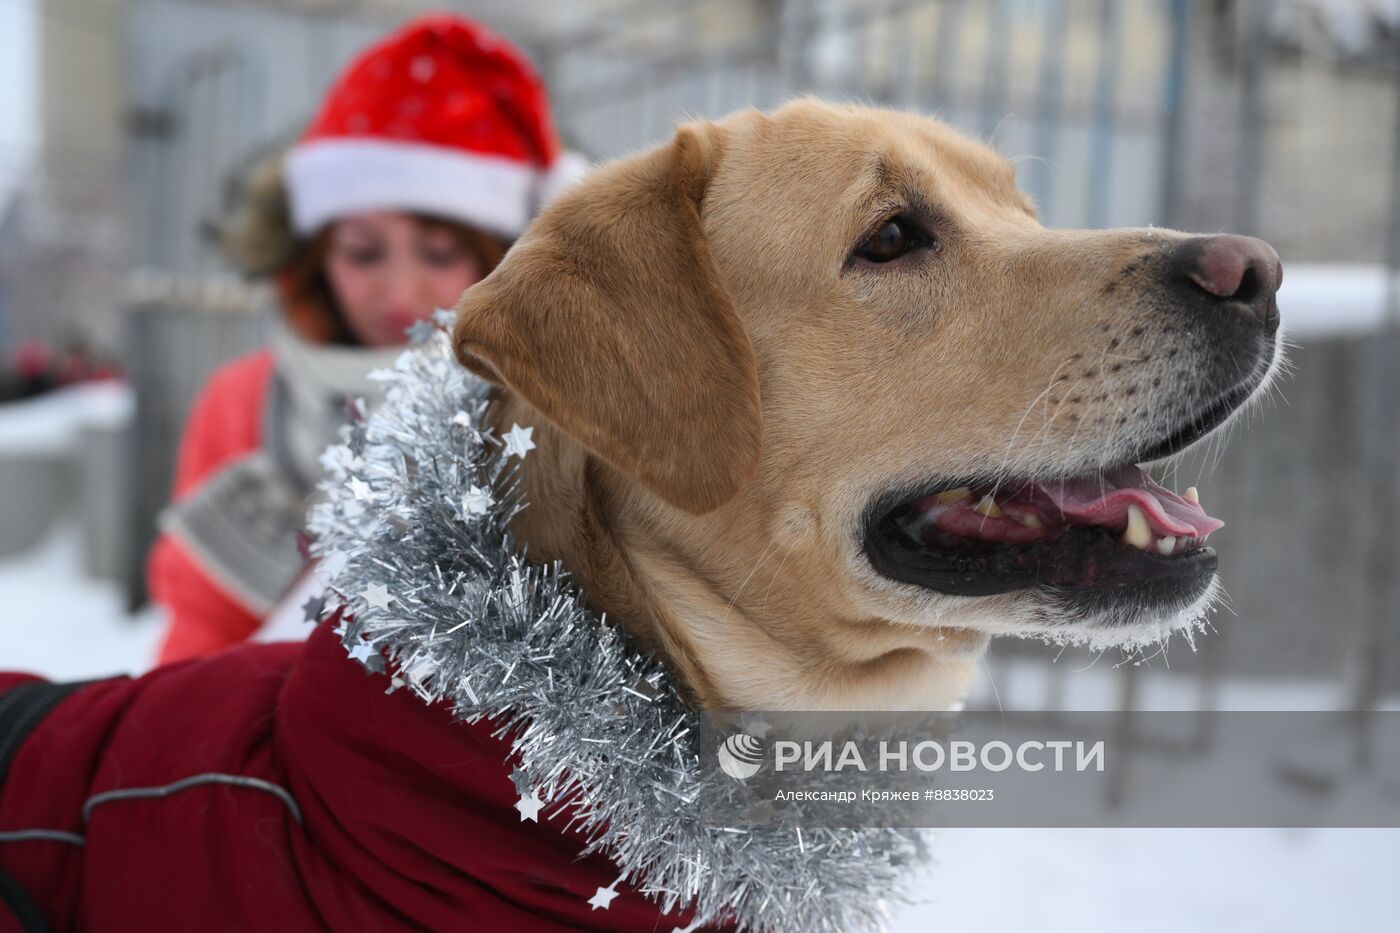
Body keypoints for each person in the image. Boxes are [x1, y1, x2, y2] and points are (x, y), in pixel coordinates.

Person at [146, 13, 586, 663]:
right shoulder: (241, 402)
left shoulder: (560, 406)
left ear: (504, 258)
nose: (399, 293)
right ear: (315, 254)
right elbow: (194, 650)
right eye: (361, 251)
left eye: (439, 253)